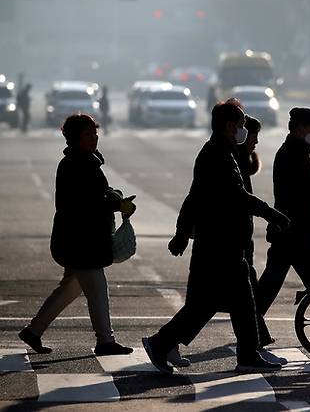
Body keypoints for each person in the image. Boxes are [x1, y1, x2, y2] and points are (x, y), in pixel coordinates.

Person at [142, 102, 290, 374]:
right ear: (229, 126)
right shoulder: (217, 154)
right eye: (241, 125)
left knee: (236, 302)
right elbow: (234, 195)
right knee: (213, 305)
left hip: (222, 242)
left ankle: (246, 354)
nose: (244, 131)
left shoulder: (220, 151)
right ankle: (161, 343)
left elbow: (194, 197)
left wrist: (182, 234)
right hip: (220, 244)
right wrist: (271, 214)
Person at [18, 113, 136, 356]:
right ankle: (105, 341)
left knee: (70, 287)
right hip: (81, 240)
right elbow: (86, 203)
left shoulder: (85, 160)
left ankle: (33, 331)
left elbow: (96, 196)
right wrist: (115, 204)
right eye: (87, 135)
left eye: (94, 133)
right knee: (97, 288)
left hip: (79, 238)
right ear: (74, 138)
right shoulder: (77, 164)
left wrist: (113, 198)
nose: (93, 138)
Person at [256, 107, 310, 333]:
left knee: (270, 284)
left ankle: (250, 326)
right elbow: (295, 199)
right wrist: (306, 226)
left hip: (289, 232)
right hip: (295, 233)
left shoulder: (294, 152)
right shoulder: (293, 155)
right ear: (301, 128)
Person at [236, 114, 286, 365]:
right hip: (231, 239)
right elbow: (243, 199)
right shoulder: (230, 160)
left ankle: (255, 343)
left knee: (245, 296)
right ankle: (164, 343)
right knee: (206, 303)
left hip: (240, 238)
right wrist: (274, 216)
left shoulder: (241, 161)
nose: (255, 141)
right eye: (253, 135)